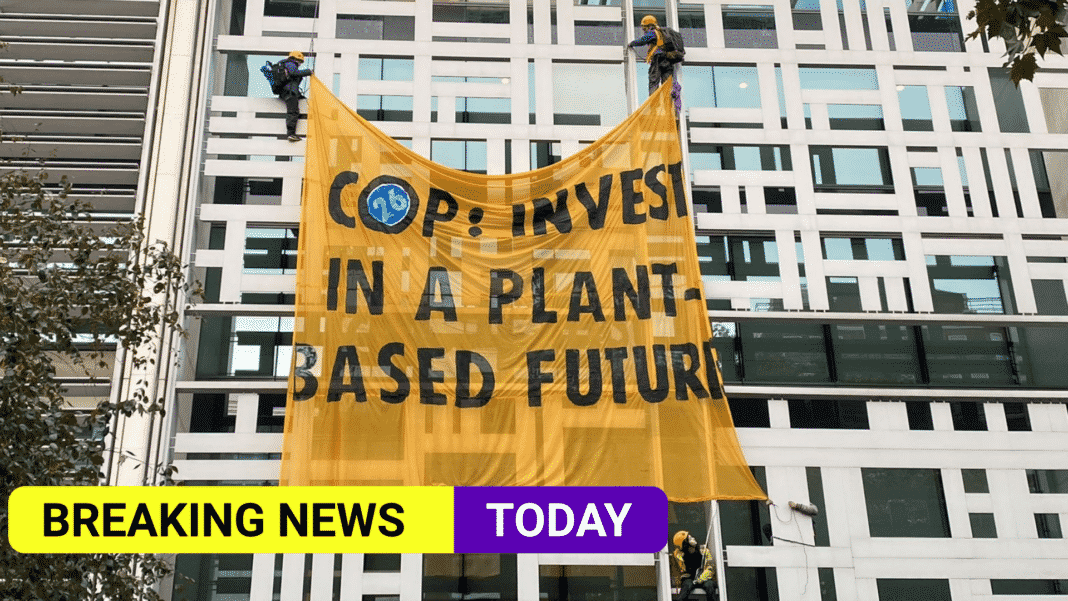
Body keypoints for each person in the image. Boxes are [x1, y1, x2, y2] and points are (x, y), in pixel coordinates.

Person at [626, 15, 681, 102]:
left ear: (650, 26)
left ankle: (654, 101)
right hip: (668, 60)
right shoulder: (662, 33)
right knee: (667, 82)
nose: (643, 30)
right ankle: (669, 100)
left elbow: (642, 40)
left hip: (658, 59)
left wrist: (632, 43)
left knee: (654, 80)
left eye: (644, 27)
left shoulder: (653, 32)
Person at [672, 530, 718, 601]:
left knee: (710, 585)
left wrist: (700, 579)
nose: (693, 538)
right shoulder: (679, 556)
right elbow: (677, 571)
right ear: (685, 544)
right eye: (690, 538)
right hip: (689, 578)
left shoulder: (704, 551)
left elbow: (710, 568)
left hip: (704, 578)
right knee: (687, 585)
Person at [278, 51, 313, 142]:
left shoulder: (286, 64)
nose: (300, 64)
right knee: (293, 111)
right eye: (300, 61)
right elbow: (294, 73)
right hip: (289, 92)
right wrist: (308, 72)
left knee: (299, 107)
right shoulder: (290, 63)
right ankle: (291, 134)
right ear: (296, 59)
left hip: (289, 91)